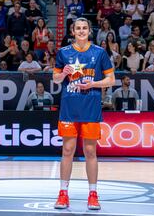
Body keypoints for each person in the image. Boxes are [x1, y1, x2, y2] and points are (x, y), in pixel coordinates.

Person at [53, 17, 115, 210]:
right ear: (72, 31)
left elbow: (111, 79)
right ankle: (63, 194)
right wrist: (63, 73)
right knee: (67, 151)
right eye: (78, 28)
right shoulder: (63, 52)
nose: (81, 31)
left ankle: (93, 194)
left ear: (89, 31)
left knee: (90, 152)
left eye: (84, 28)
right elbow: (55, 79)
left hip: (90, 108)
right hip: (69, 109)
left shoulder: (99, 52)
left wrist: (93, 84)